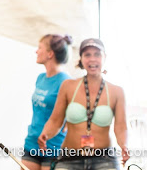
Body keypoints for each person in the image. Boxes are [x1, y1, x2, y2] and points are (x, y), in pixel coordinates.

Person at [39, 38, 129, 169]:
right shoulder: (68, 86)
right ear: (81, 58)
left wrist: (124, 145)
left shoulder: (117, 91)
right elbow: (55, 120)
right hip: (69, 158)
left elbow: (121, 127)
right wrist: (45, 134)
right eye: (87, 55)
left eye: (97, 54)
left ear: (104, 57)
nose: (92, 59)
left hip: (104, 160)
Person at [22, 34, 72, 170]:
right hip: (32, 143)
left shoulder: (66, 82)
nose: (36, 51)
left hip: (54, 148)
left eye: (40, 48)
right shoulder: (40, 78)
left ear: (50, 54)